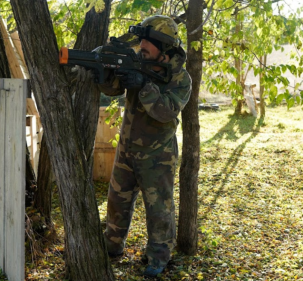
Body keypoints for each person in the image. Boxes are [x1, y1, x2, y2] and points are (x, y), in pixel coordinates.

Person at [97, 15, 192, 277]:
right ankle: (112, 246)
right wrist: (105, 72)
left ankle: (158, 259)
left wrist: (145, 86)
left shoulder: (181, 79)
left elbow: (166, 111)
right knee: (117, 202)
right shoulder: (139, 63)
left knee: (159, 210)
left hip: (157, 157)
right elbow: (113, 88)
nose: (141, 45)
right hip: (126, 150)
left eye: (147, 41)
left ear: (163, 46)